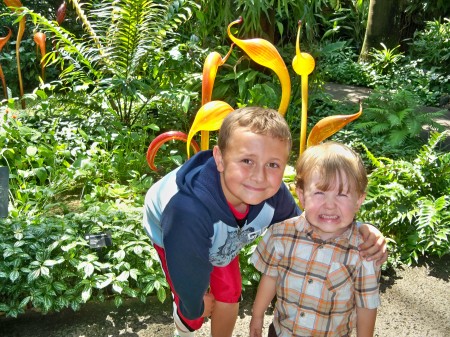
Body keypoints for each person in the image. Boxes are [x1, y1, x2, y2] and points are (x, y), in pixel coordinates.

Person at [142, 107, 386, 337]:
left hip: (219, 230)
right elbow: (187, 277)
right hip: (174, 232)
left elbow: (308, 226)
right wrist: (193, 306)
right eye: (247, 160)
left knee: (228, 293)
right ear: (220, 158)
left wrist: (361, 229)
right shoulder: (186, 214)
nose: (259, 176)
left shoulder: (273, 195)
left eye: (272, 164)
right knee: (193, 309)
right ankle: (183, 328)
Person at [250, 141, 381, 337]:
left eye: (342, 194)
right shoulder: (281, 235)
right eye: (320, 192)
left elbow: (366, 306)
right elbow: (270, 277)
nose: (330, 205)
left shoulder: (363, 253)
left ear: (359, 200)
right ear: (301, 195)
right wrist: (257, 314)